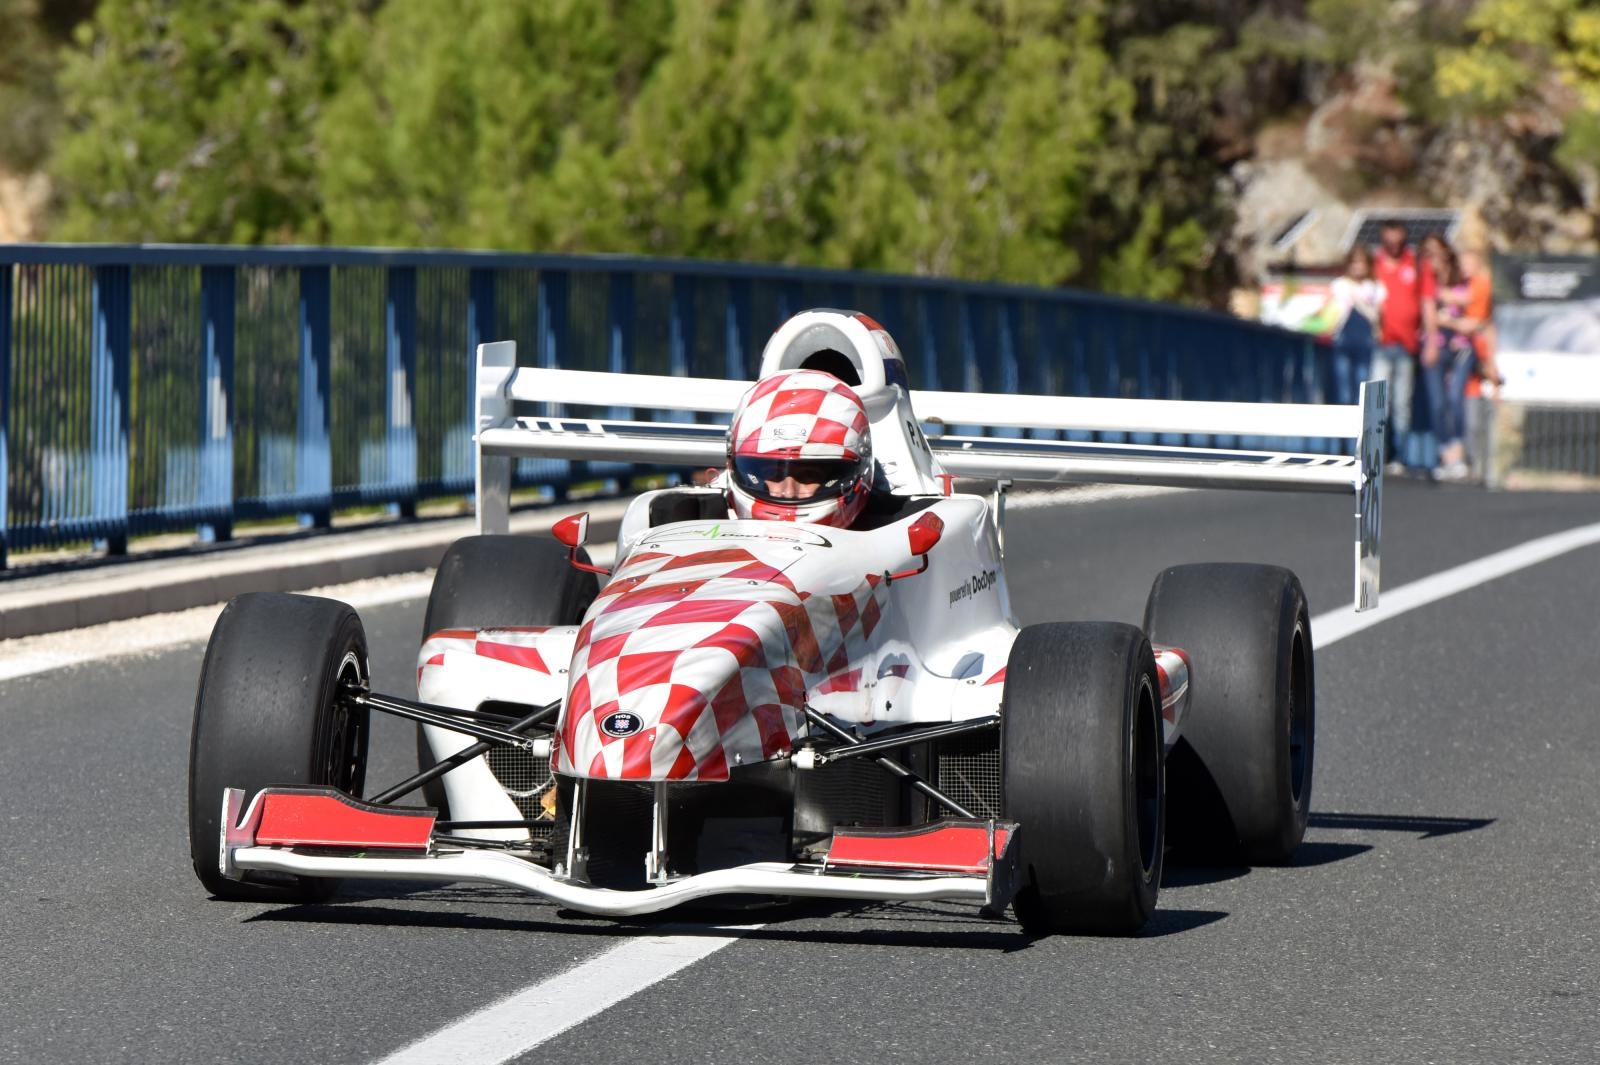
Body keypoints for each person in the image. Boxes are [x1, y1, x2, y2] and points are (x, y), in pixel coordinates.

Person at [724, 367, 874, 527]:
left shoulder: (896, 538)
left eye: (808, 475)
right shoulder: (699, 520)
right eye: (773, 474)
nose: (788, 493)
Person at [1372, 221, 1437, 471]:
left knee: (1401, 404)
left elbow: (1427, 303)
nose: (1393, 246)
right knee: (1378, 401)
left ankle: (1399, 455)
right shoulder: (1374, 265)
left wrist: (1431, 341)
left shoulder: (1418, 265)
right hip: (1381, 344)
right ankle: (1376, 453)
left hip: (1407, 346)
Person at [1315, 245, 1386, 402]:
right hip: (1343, 338)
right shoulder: (1340, 284)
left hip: (1365, 339)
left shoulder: (1374, 287)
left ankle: (1359, 423)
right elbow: (1329, 308)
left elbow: (1380, 312)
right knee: (1343, 387)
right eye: (1354, 262)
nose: (1358, 266)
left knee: (1362, 384)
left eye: (1361, 262)